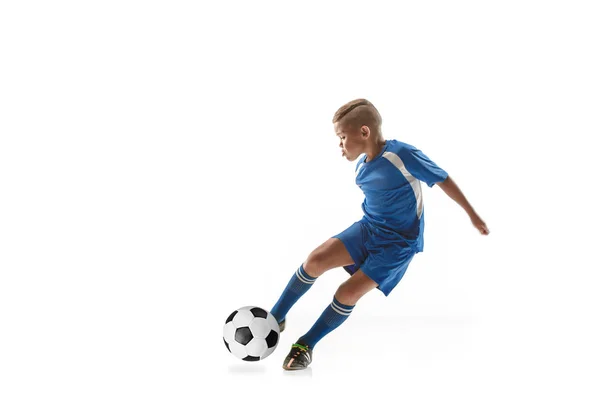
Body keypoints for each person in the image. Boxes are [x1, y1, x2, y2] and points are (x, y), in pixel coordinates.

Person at [270, 98, 489, 370]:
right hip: (368, 228)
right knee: (314, 260)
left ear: (364, 132)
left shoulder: (402, 155)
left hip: (398, 245)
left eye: (342, 137)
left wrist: (473, 215)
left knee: (346, 293)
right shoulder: (362, 165)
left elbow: (442, 178)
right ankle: (275, 318)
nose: (340, 144)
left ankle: (306, 344)